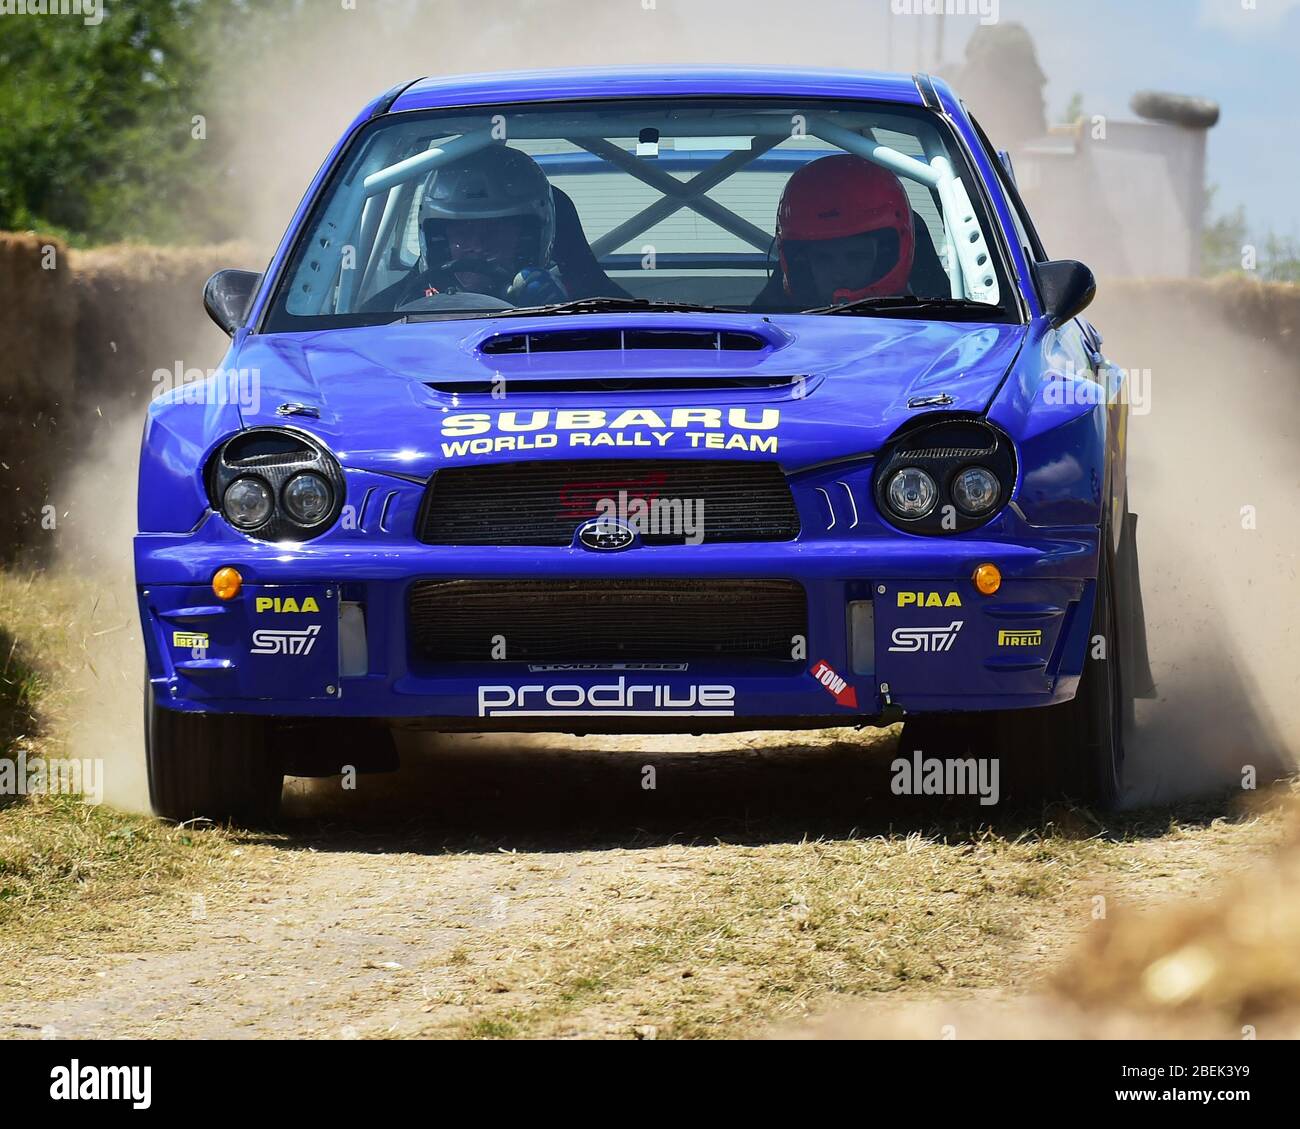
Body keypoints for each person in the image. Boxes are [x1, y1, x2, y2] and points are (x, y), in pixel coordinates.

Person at [364, 143, 567, 312]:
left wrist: (557, 314)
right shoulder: (388, 311)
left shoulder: (578, 307)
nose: (477, 245)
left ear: (527, 237)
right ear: (439, 239)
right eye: (463, 231)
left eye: (494, 231)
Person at [763, 153, 917, 308]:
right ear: (804, 263)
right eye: (823, 259)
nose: (839, 274)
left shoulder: (925, 323)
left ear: (884, 257)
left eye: (856, 257)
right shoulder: (767, 321)